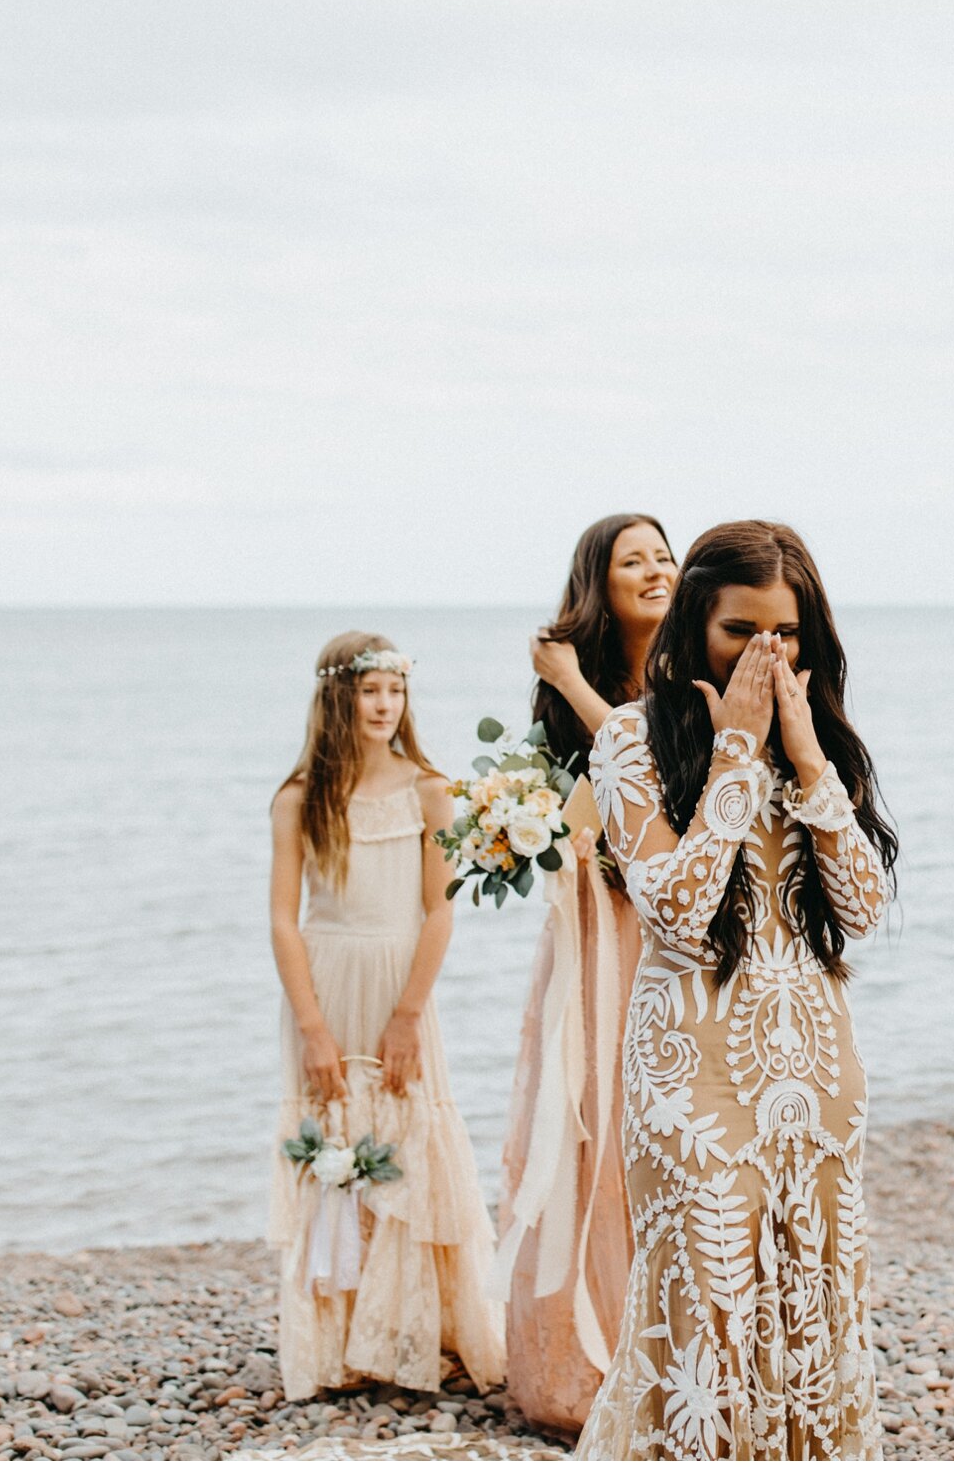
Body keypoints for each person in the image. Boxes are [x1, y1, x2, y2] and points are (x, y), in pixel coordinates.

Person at [571, 521, 900, 1460]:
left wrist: (804, 760)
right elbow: (674, 910)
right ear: (691, 628)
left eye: (786, 633)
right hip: (689, 1069)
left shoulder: (821, 739)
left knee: (816, 1300)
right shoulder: (631, 739)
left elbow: (862, 908)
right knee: (706, 1312)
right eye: (740, 629)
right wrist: (735, 757)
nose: (766, 651)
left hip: (818, 1063)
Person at [267, 632, 507, 1402]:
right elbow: (283, 919)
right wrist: (311, 1027)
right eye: (370, 691)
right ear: (338, 698)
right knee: (334, 1139)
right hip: (328, 977)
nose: (384, 706)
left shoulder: (429, 789)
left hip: (400, 981)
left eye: (394, 692)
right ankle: (338, 1342)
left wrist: (409, 1013)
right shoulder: (301, 797)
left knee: (409, 1139)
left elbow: (440, 911)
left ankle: (414, 1332)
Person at [497, 514, 678, 1435]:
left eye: (662, 555)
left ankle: (672, 1346)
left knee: (653, 1116)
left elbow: (647, 773)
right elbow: (563, 803)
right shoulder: (580, 688)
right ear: (598, 587)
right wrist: (509, 835)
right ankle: (583, 1344)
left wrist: (566, 677)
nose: (654, 571)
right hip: (594, 924)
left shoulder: (694, 673)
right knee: (588, 1112)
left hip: (666, 922)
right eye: (631, 562)